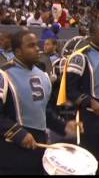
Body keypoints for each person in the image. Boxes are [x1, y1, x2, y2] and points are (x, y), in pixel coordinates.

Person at [0, 30, 79, 175]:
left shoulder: (43, 76)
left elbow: (44, 112)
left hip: (39, 146)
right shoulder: (4, 74)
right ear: (18, 51)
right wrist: (18, 133)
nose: (37, 48)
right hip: (12, 150)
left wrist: (64, 126)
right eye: (31, 46)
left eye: (37, 44)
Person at [57, 21, 99, 175]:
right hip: (89, 116)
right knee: (90, 159)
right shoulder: (80, 57)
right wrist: (90, 102)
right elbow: (70, 90)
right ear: (92, 35)